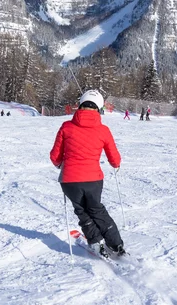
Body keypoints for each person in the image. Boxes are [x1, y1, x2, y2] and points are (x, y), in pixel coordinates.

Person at [50, 90, 125, 258]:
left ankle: (96, 241)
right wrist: (116, 164)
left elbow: (55, 156)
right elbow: (114, 157)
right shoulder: (103, 130)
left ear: (80, 104)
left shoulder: (66, 127)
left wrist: (59, 164)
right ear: (99, 108)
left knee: (82, 211)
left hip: (70, 180)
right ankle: (116, 244)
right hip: (93, 179)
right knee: (96, 209)